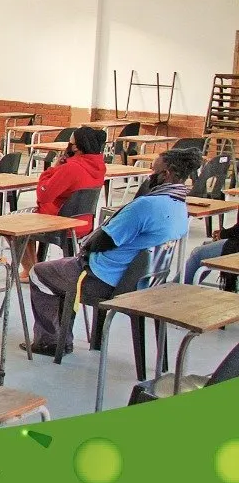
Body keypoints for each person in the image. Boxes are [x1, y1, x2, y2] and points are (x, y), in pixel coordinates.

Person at [26, 148, 198, 357]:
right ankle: (62, 338)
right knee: (61, 270)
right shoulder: (180, 207)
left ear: (166, 174)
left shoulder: (146, 205)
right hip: (144, 282)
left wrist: (87, 245)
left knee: (39, 273)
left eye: (154, 171)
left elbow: (102, 241)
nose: (150, 176)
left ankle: (50, 342)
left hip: (104, 279)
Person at [20, 127, 107, 277]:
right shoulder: (99, 167)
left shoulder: (71, 168)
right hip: (83, 222)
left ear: (76, 147)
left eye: (70, 142)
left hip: (61, 222)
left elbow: (44, 195)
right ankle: (35, 269)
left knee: (16, 223)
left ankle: (30, 271)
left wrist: (52, 170)